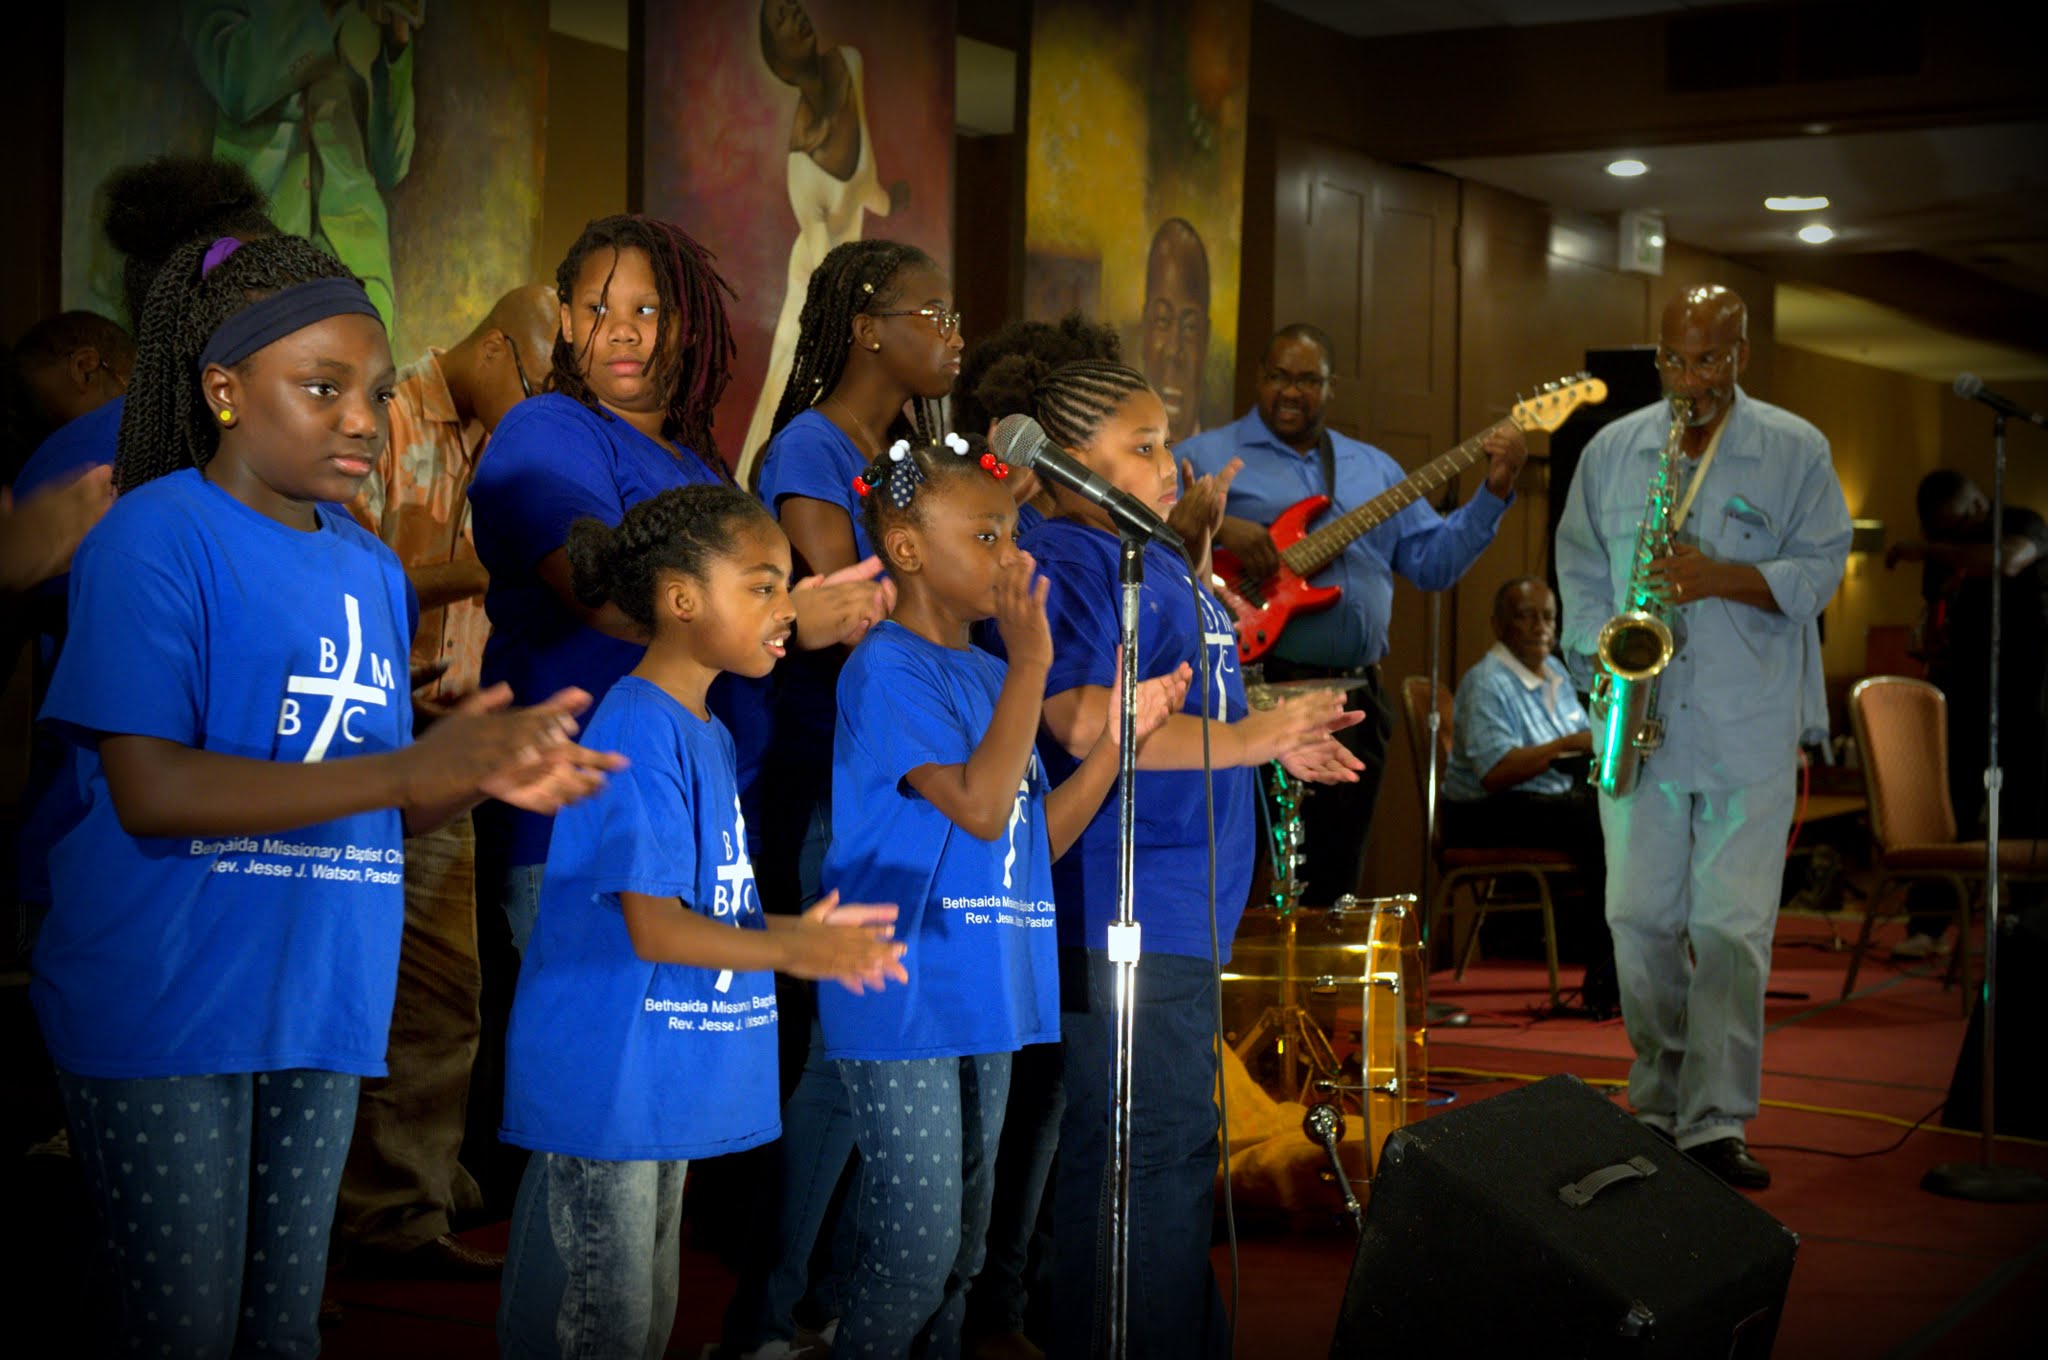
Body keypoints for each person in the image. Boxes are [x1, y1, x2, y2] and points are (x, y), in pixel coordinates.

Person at [33, 230, 619, 1359]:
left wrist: (470, 771)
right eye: (323, 388)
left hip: (319, 995)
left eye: (377, 391)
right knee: (182, 1329)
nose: (363, 419)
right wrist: (407, 767)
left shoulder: (367, 567)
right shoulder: (154, 538)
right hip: (172, 1001)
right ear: (222, 390)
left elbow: (367, 802)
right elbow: (149, 787)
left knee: (283, 1331)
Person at [976, 355, 1363, 1359]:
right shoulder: (1070, 561)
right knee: (1150, 1149)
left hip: (1183, 904)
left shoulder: (1148, 559)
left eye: (1167, 443)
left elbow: (1192, 705)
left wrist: (1270, 730)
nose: (1167, 465)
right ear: (1069, 461)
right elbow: (1079, 719)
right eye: (1141, 446)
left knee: (1161, 1147)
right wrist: (1252, 738)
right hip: (1126, 899)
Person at [497, 484, 908, 1360]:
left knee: (645, 1322)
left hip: (654, 1073)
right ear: (682, 599)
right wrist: (796, 944)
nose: (785, 609)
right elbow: (654, 928)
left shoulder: (705, 729)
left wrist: (795, 934)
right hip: (612, 1077)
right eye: (762, 586)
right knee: (606, 1327)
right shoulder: (639, 725)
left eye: (785, 586)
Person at [821, 432, 1187, 1357]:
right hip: (907, 988)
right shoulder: (888, 667)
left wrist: (1118, 745)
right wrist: (1032, 664)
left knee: (962, 1259)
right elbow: (981, 809)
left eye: (1014, 535)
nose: (1014, 557)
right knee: (914, 1257)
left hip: (984, 983)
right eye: (987, 537)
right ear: (907, 548)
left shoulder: (989, 672)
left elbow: (1033, 837)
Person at [467, 214, 889, 954]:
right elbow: (597, 592)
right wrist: (786, 618)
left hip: (709, 828)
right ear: (565, 320)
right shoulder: (549, 428)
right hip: (587, 828)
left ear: (685, 326)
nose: (622, 331)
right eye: (597, 308)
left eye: (647, 309)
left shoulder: (697, 463)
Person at [714, 237, 957, 1360]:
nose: (953, 336)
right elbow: (848, 599)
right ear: (866, 328)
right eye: (931, 314)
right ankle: (768, 1311)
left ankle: (834, 1297)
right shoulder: (811, 447)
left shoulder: (908, 451)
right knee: (837, 1055)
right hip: (827, 779)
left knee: (876, 1051)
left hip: (902, 780)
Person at [1556, 284, 1850, 1190]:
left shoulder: (1795, 449)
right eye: (1677, 362)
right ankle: (1660, 1097)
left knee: (1729, 930)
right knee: (1636, 918)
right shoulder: (1614, 449)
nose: (1692, 380)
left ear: (1742, 354)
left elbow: (1821, 570)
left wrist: (1720, 576)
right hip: (1636, 718)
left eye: (1710, 360)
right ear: (1659, 357)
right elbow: (1578, 567)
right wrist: (1598, 655)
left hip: (1746, 725)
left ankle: (1716, 1119)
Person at [333, 284, 559, 1281]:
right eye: (543, 384)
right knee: (333, 993)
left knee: (440, 999)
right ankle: (304, 1244)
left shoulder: (513, 445)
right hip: (349, 744)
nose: (549, 410)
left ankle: (401, 1218)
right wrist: (482, 569)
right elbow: (336, 575)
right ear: (500, 350)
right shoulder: (383, 415)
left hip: (453, 747)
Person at [1179, 322, 1527, 903]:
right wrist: (1221, 527)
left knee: (1335, 879)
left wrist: (1493, 492)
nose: (1292, 392)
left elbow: (1433, 564)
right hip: (1249, 690)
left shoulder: (1374, 469)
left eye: (1307, 380)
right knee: (1231, 870)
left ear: (1330, 386)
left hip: (1352, 700)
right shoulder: (1207, 455)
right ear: (1259, 379)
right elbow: (1147, 526)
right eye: (1279, 377)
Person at [737, 0, 910, 488]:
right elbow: (823, 271)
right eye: (781, 18)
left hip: (851, 294)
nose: (796, 16)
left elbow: (861, 182)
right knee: (793, 416)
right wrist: (854, 318)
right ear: (778, 55)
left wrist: (887, 203)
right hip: (815, 295)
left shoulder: (848, 63)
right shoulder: (802, 168)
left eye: (794, 8)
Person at [1884, 469, 2048, 956]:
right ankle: (1928, 923)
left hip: (2026, 686)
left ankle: (2026, 926)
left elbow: (2009, 560)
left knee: (2025, 808)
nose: (1947, 537)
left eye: (1954, 526)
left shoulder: (2022, 522)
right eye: (1939, 531)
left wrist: (1930, 549)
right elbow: (1936, 607)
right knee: (1948, 802)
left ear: (1977, 505)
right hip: (1963, 687)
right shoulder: (1944, 547)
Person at [184, 0, 418, 329]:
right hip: (255, 256)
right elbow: (236, 87)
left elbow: (391, 166)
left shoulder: (366, 19)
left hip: (360, 264)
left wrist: (396, 44)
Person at [1442, 576, 1608, 967]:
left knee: (1617, 808)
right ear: (1498, 624)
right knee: (1596, 820)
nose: (1541, 628)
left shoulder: (1555, 671)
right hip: (1484, 812)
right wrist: (1565, 745)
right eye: (1526, 616)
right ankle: (1602, 955)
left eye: (1548, 617)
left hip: (1541, 800)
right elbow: (1495, 773)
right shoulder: (1487, 682)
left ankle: (1606, 947)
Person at [1139, 218, 1210, 444]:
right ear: (1144, 330)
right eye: (1162, 320)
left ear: (1206, 340)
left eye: (1190, 327)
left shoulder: (1223, 460)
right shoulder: (1109, 458)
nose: (1174, 350)